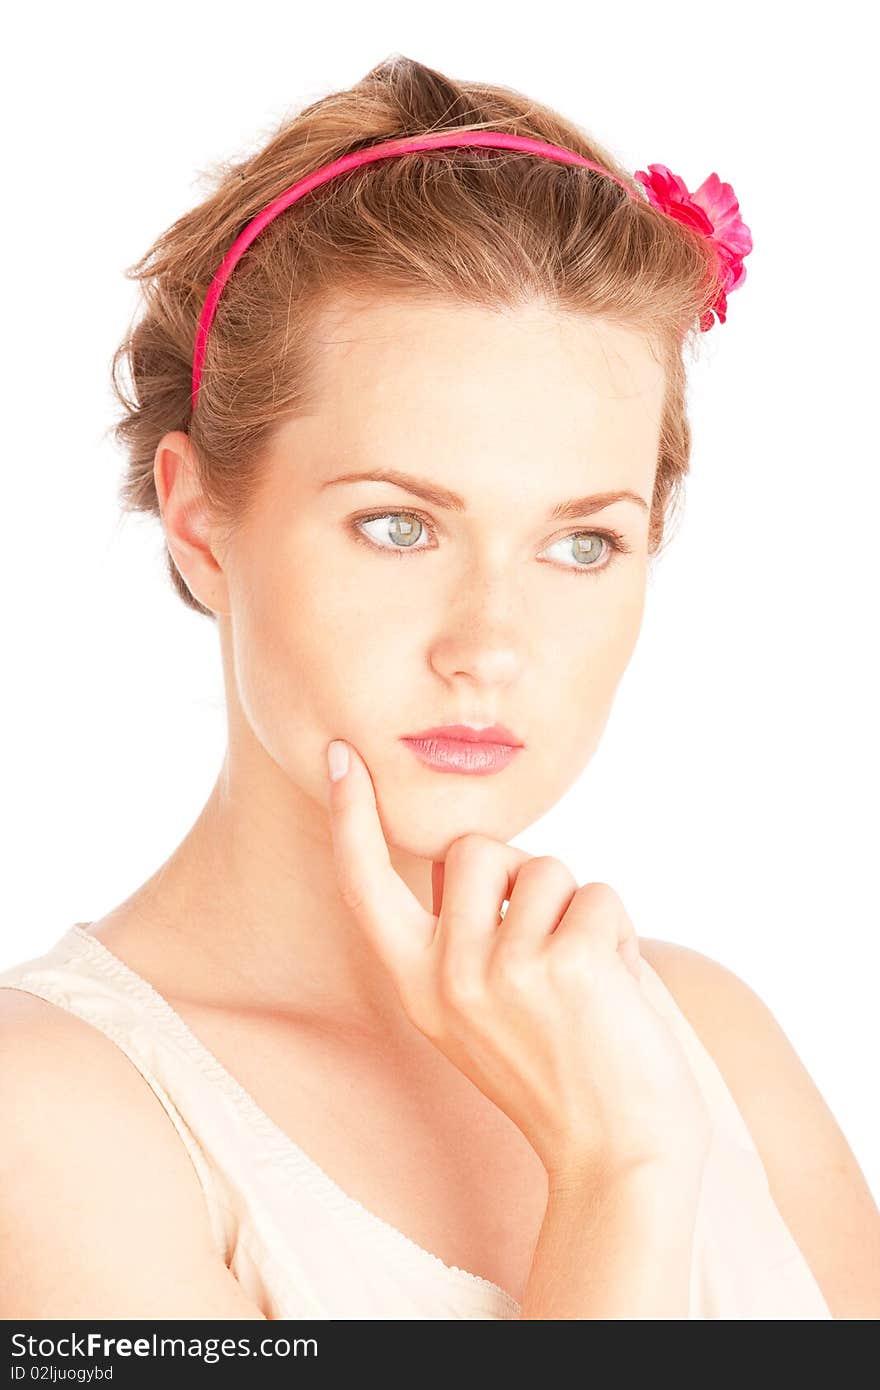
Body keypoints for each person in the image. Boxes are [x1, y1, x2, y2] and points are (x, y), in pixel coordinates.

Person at [1, 55, 877, 1321]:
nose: (491, 643)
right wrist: (616, 1175)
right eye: (399, 526)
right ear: (200, 521)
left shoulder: (707, 1037)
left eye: (582, 543)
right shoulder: (52, 1118)